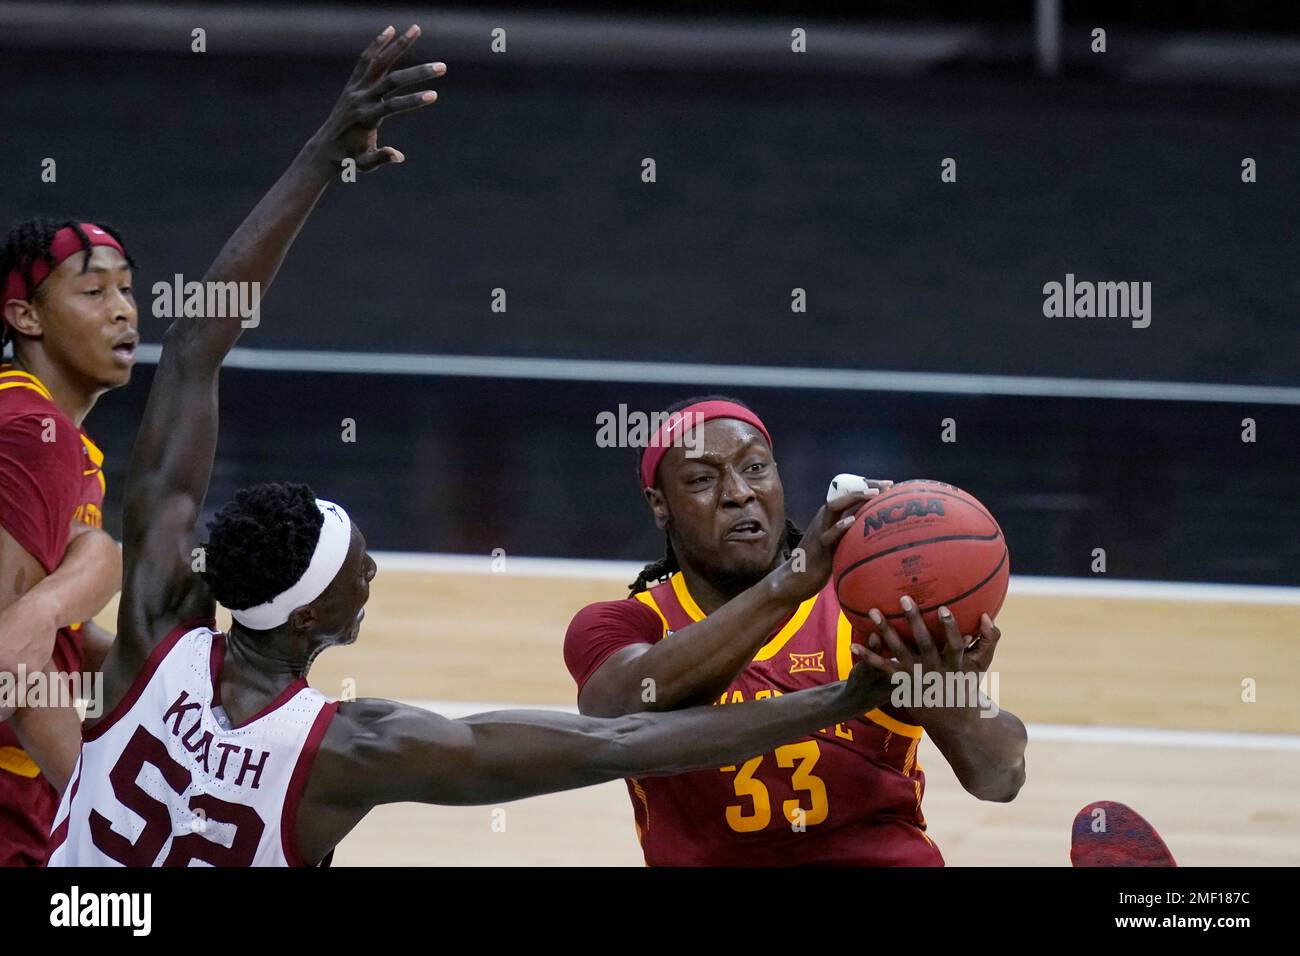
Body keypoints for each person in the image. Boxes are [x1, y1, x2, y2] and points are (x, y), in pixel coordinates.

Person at [48, 25, 895, 868]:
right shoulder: (348, 747)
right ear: (310, 615)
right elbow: (629, 743)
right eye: (358, 569)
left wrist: (320, 155)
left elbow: (195, 346)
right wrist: (849, 698)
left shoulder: (158, 636)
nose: (373, 574)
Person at [564, 396, 1028, 865]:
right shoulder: (623, 625)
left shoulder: (867, 614)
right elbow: (613, 719)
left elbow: (1002, 780)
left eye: (756, 469)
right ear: (660, 505)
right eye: (703, 479)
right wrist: (788, 586)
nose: (738, 492)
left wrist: (954, 701)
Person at [0, 218, 138, 864]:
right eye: (93, 293)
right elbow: (14, 664)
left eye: (127, 290)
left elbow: (44, 635)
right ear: (26, 318)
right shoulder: (32, 434)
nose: (121, 311)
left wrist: (175, 671)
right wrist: (108, 818)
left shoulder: (59, 439)